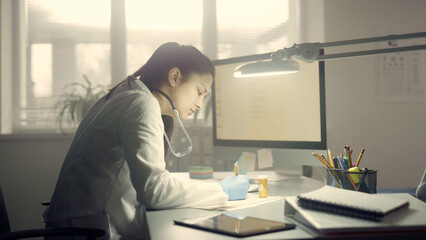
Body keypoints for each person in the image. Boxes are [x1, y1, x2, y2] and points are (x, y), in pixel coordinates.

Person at [43, 42, 250, 240]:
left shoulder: (125, 94)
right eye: (199, 91)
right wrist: (222, 191)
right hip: (90, 232)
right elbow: (155, 192)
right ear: (175, 76)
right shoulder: (141, 104)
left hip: (79, 226)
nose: (199, 104)